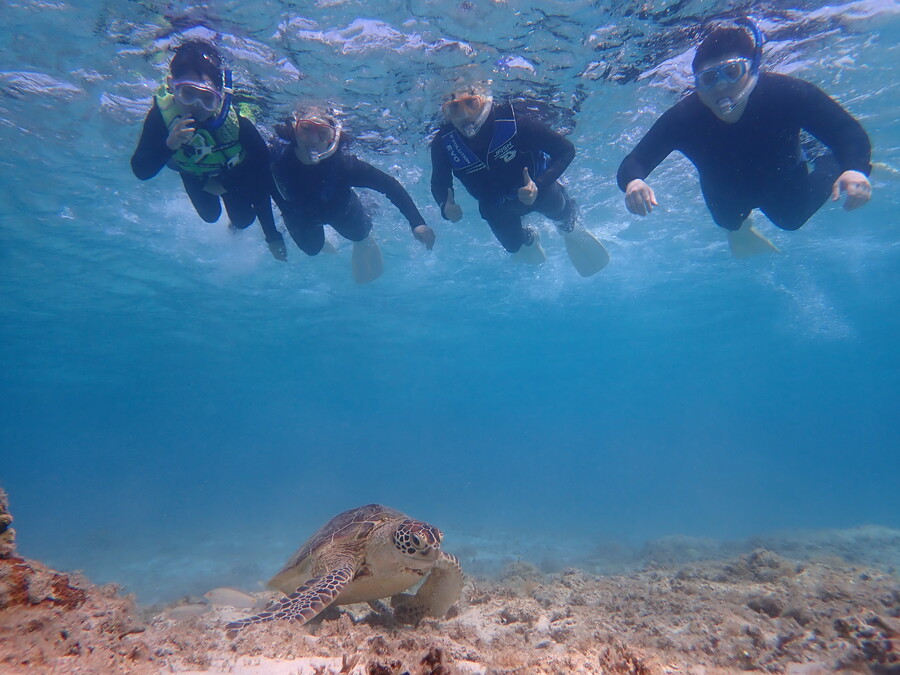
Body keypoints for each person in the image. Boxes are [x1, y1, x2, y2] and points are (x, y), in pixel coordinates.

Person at [617, 18, 872, 258]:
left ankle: (831, 161)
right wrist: (634, 182)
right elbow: (635, 160)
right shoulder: (684, 117)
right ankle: (744, 229)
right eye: (708, 79)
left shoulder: (787, 93)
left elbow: (847, 133)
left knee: (791, 219)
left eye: (732, 71)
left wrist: (855, 168)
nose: (720, 86)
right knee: (727, 221)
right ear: (697, 86)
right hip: (725, 191)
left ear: (752, 71)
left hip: (783, 182)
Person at [430, 82, 609, 276]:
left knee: (562, 215)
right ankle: (530, 237)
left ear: (483, 101)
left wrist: (539, 185)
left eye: (470, 103)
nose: (464, 115)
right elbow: (440, 181)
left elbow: (566, 150)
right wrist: (444, 207)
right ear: (445, 111)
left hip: (539, 191)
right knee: (514, 247)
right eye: (453, 108)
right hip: (495, 207)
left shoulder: (516, 121)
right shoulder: (443, 144)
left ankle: (569, 229)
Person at [131, 40, 287, 261]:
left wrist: (272, 236)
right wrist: (169, 145)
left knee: (243, 220)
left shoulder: (240, 126)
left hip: (233, 176)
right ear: (172, 85)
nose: (196, 106)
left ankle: (234, 226)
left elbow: (262, 180)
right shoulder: (160, 118)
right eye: (187, 94)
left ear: (221, 98)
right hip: (193, 173)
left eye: (207, 99)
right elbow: (141, 170)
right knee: (210, 216)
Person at [271, 108, 435, 284]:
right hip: (300, 215)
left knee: (359, 234)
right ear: (294, 130)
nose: (313, 138)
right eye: (306, 128)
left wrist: (417, 223)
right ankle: (327, 238)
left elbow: (390, 186)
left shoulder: (345, 166)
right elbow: (261, 188)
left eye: (323, 132)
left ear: (333, 139)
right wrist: (271, 236)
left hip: (340, 209)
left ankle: (365, 226)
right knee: (312, 249)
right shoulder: (276, 159)